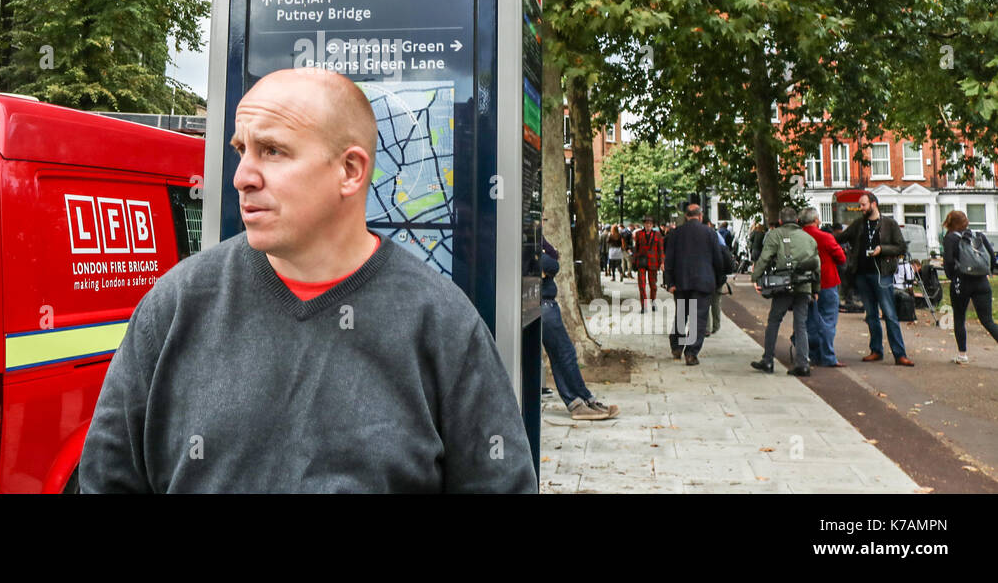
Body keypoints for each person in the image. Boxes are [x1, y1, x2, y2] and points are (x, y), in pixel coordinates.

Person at [80, 68, 537, 492]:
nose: (242, 177)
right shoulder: (176, 305)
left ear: (350, 171)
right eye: (241, 150)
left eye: (272, 151)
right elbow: (107, 478)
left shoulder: (442, 324)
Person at [540, 240, 619, 419]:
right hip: (543, 303)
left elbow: (552, 256)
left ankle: (579, 400)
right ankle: (580, 400)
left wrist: (548, 261)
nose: (542, 220)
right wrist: (547, 262)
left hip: (545, 302)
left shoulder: (536, 234)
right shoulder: (528, 232)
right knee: (564, 353)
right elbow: (548, 263)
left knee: (560, 355)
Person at [837, 193, 914, 366]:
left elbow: (901, 246)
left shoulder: (889, 224)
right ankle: (876, 350)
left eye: (863, 205)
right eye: (860, 205)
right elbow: (841, 238)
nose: (861, 208)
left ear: (873, 204)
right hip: (862, 275)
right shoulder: (859, 224)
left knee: (890, 314)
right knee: (871, 314)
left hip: (882, 274)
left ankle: (899, 354)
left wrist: (882, 249)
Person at [750, 206, 820, 375]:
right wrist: (816, 289)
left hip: (784, 285)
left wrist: (755, 278)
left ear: (780, 221)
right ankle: (803, 363)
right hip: (804, 286)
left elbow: (765, 258)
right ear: (797, 221)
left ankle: (768, 360)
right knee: (800, 324)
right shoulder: (808, 238)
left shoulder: (776, 235)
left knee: (774, 320)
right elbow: (817, 265)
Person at [663, 202, 729, 366]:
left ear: (686, 216)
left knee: (681, 314)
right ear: (700, 216)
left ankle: (676, 346)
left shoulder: (675, 233)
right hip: (703, 281)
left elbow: (669, 260)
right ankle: (691, 353)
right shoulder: (710, 233)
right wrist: (719, 280)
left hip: (681, 282)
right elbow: (717, 260)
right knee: (698, 319)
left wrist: (669, 281)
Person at [941, 210, 998, 365]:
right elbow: (992, 258)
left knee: (959, 318)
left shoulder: (950, 238)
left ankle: (962, 355)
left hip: (962, 282)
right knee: (987, 320)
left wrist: (952, 276)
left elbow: (948, 261)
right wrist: (986, 272)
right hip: (982, 282)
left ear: (949, 223)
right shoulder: (978, 235)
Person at [801, 208, 847, 367]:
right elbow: (841, 258)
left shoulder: (799, 236)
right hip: (826, 282)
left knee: (810, 321)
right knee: (828, 320)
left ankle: (812, 354)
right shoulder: (825, 237)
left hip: (804, 283)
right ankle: (828, 356)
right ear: (815, 220)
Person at [631, 215, 664, 311]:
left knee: (653, 285)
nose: (648, 225)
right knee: (641, 284)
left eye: (650, 223)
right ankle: (643, 306)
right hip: (641, 261)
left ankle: (653, 302)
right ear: (644, 224)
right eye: (646, 223)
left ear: (652, 225)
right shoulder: (638, 234)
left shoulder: (657, 235)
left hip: (653, 262)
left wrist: (662, 262)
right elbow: (636, 249)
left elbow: (661, 250)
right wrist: (634, 261)